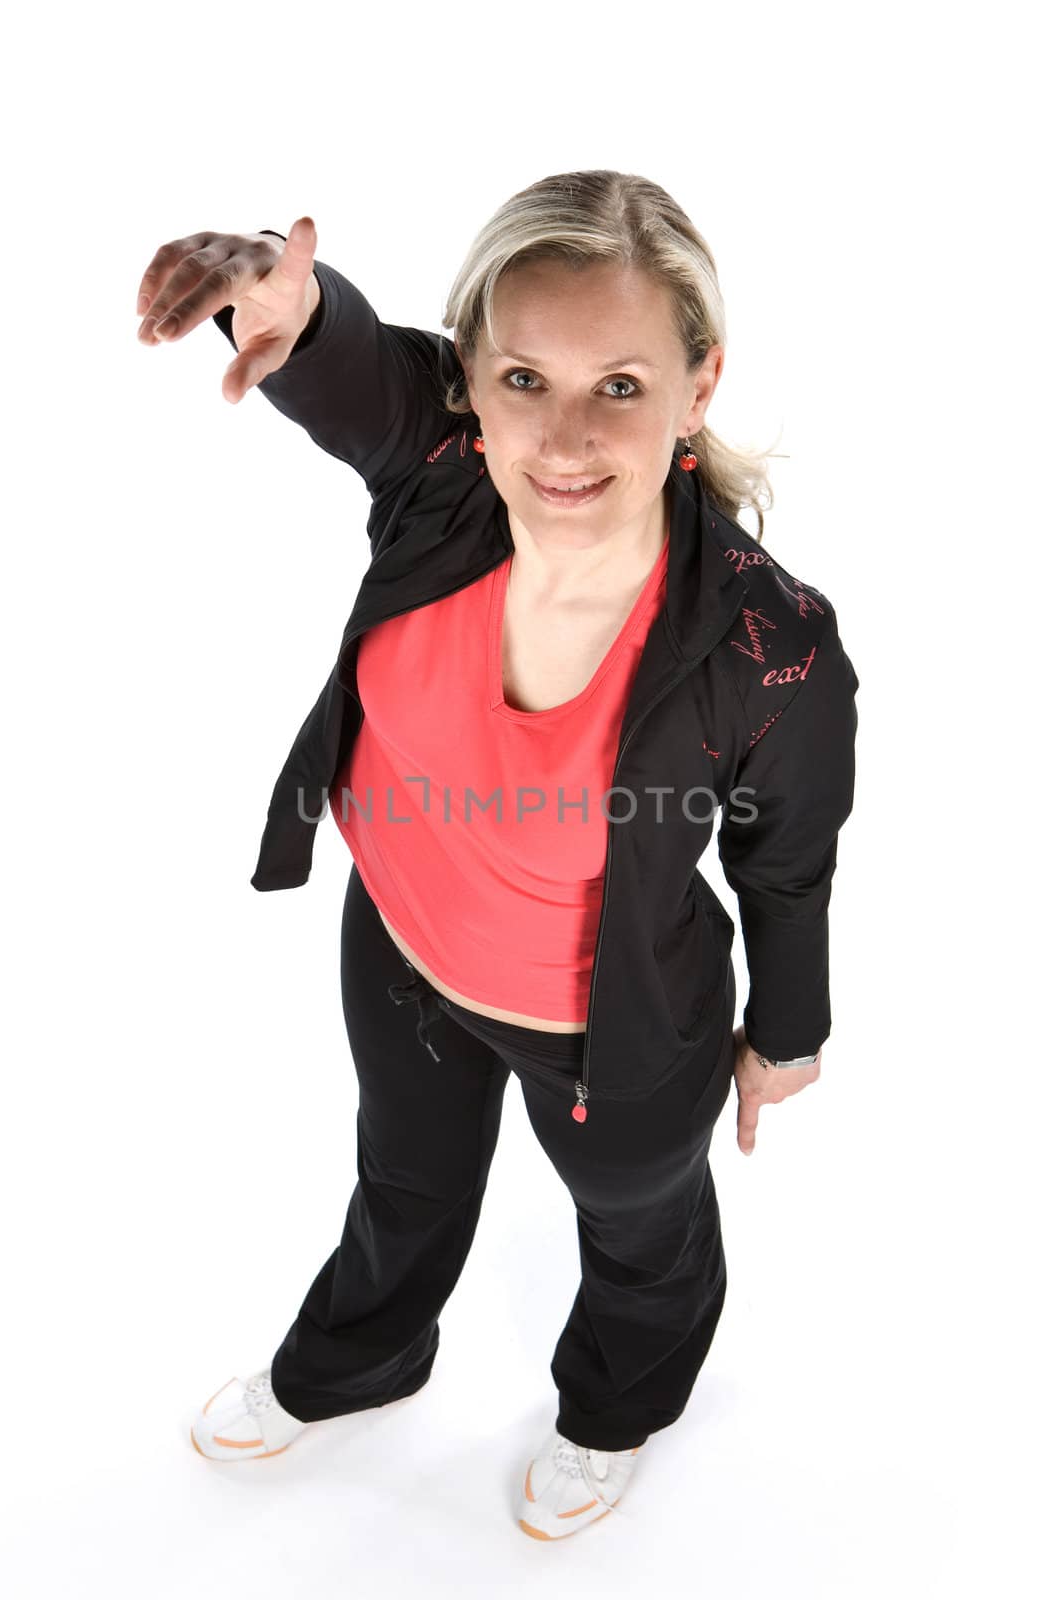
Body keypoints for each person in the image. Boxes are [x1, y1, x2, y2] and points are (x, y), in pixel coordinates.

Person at [136, 170, 859, 1541]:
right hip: (402, 944)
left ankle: (616, 1405)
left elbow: (787, 856)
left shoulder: (774, 647)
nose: (566, 435)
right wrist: (287, 313)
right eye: (525, 376)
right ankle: (355, 1363)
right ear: (470, 376)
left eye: (623, 387)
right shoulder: (442, 479)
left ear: (699, 388)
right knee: (403, 1184)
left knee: (639, 1235)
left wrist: (791, 1028)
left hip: (615, 1028)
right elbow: (344, 358)